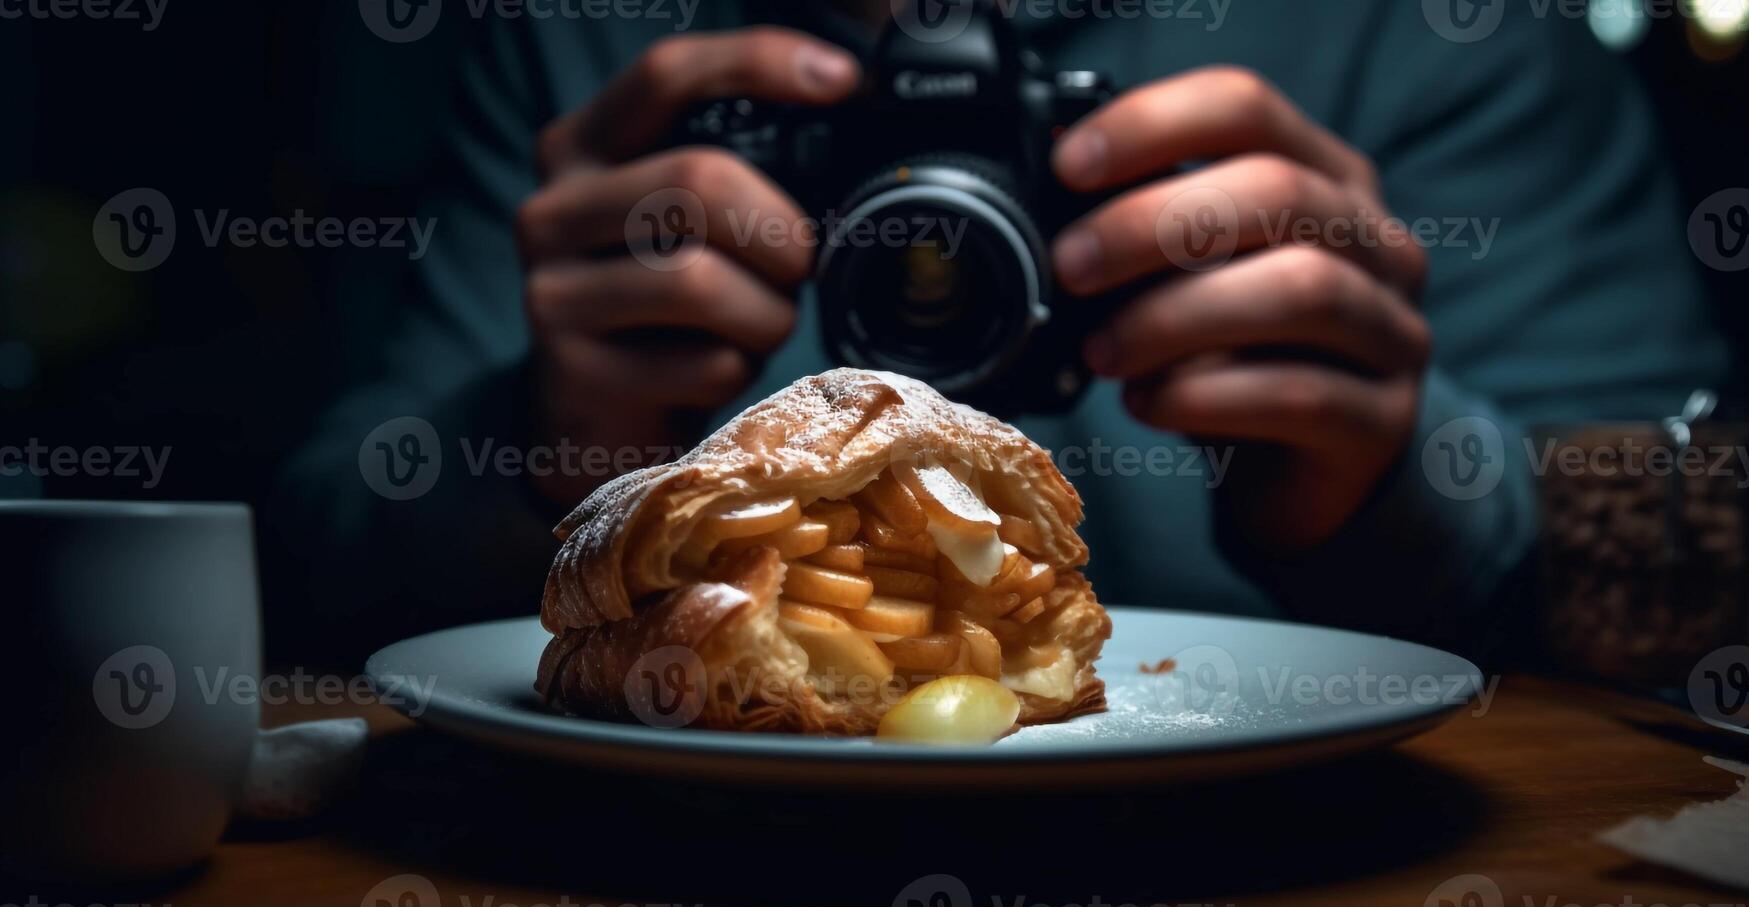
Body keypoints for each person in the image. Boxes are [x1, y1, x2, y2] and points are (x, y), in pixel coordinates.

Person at [268, 0, 1728, 662]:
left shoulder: (1439, 27)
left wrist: (1396, 477)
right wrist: (538, 445)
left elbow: (1680, 557)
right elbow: (322, 552)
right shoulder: (590, 37)